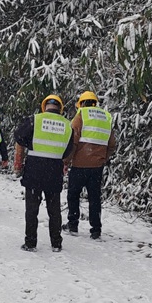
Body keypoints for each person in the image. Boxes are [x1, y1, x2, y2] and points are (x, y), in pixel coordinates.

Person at [13, 94, 74, 253]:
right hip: (54, 171)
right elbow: (68, 150)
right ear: (60, 108)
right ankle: (56, 243)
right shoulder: (67, 125)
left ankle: (30, 243)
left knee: (32, 209)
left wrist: (31, 146)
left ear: (44, 106)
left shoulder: (35, 120)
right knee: (54, 209)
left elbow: (18, 136)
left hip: (34, 170)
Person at [63, 91, 117, 240]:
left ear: (81, 103)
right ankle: (96, 229)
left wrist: (66, 161)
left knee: (73, 195)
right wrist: (102, 159)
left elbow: (73, 141)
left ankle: (73, 224)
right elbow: (112, 144)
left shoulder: (81, 116)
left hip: (79, 165)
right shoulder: (106, 117)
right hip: (97, 167)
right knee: (94, 198)